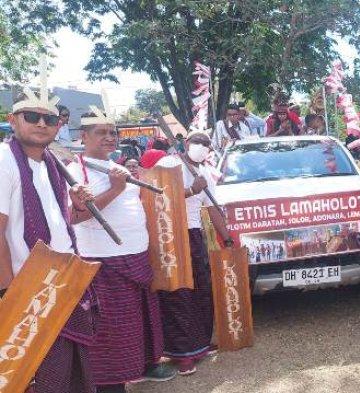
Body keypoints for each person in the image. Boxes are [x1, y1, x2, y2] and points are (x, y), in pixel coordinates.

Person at [68, 109, 175, 393]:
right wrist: (115, 189)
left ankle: (144, 367)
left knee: (138, 323)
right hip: (104, 262)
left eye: (112, 132)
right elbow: (73, 217)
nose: (108, 137)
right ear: (84, 136)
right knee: (112, 332)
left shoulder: (120, 167)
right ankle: (110, 386)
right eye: (100, 132)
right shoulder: (74, 171)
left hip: (137, 257)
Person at [0, 88, 97, 392]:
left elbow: (62, 225)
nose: (41, 123)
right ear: (12, 120)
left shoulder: (51, 164)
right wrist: (7, 292)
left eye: (50, 119)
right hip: (29, 291)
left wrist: (78, 208)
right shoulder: (4, 160)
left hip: (63, 283)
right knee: (40, 376)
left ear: (58, 125)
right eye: (32, 116)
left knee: (68, 370)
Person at [156, 130, 234, 375]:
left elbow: (213, 210)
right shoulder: (168, 164)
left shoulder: (205, 172)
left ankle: (199, 345)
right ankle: (181, 354)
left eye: (207, 144)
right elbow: (155, 197)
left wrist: (228, 239)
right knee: (178, 293)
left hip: (193, 235)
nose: (202, 146)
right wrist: (190, 190)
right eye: (198, 141)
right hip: (168, 235)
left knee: (201, 288)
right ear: (186, 143)